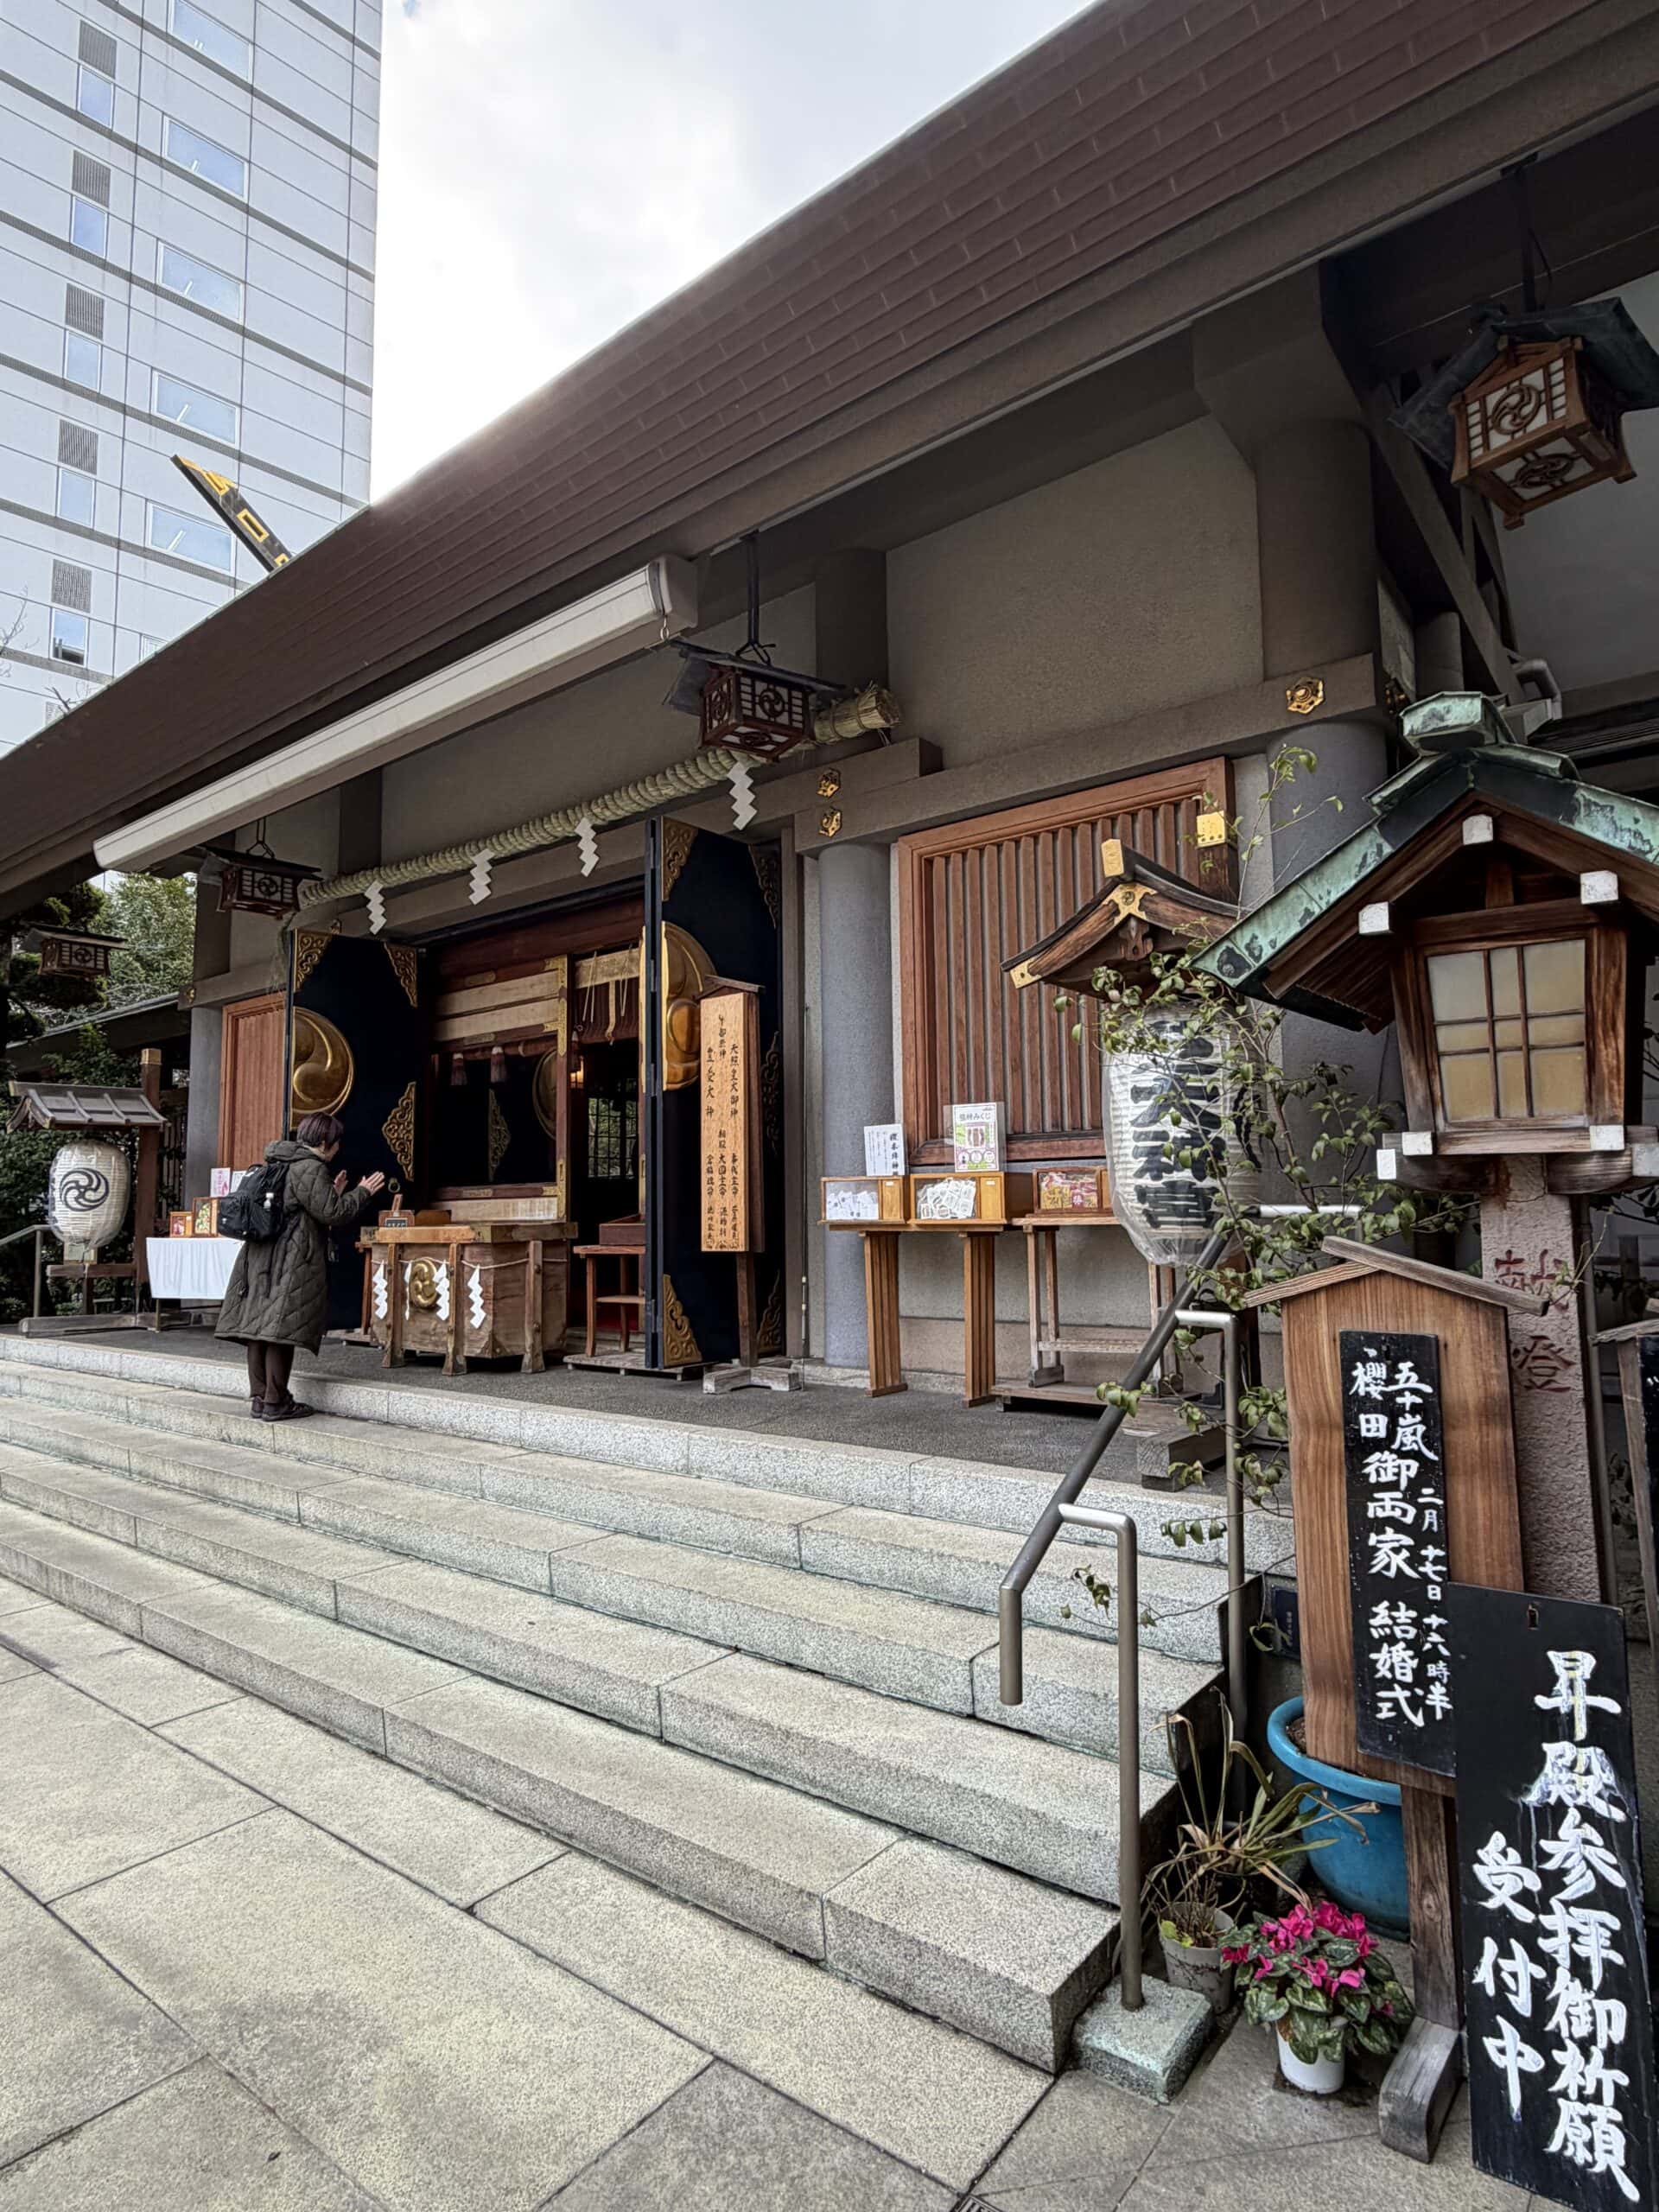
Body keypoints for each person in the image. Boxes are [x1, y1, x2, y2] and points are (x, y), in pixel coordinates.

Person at [216, 1111, 385, 1421]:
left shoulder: (278, 1162)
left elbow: (304, 1207)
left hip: (260, 1256)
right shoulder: (309, 1167)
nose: (338, 1148)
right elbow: (333, 1213)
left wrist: (332, 1192)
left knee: (259, 1327)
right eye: (336, 1142)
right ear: (323, 1142)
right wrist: (362, 1192)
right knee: (281, 1328)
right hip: (289, 1259)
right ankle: (276, 1401)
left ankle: (260, 1398)